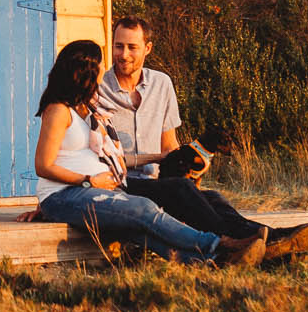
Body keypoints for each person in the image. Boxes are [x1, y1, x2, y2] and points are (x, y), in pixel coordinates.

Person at [99, 17, 308, 261]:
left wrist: (187, 170)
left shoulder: (161, 83)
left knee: (211, 198)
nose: (123, 54)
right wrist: (164, 163)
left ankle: (272, 245)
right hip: (121, 185)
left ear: (148, 48)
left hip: (159, 182)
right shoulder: (99, 87)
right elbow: (104, 159)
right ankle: (259, 241)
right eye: (118, 46)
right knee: (181, 190)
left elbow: (170, 147)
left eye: (132, 47)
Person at [32, 39, 266, 266]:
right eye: (100, 63)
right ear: (86, 71)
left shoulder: (92, 109)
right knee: (143, 208)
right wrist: (88, 180)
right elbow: (43, 166)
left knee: (137, 229)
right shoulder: (58, 110)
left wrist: (158, 157)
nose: (105, 68)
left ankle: (215, 261)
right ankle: (219, 245)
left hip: (98, 188)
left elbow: (113, 158)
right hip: (65, 195)